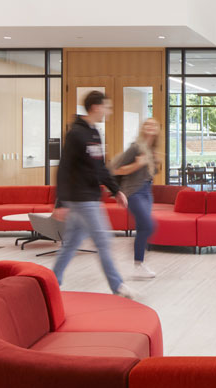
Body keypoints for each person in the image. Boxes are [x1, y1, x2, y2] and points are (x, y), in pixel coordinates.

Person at [53, 91, 135, 299]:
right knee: (103, 240)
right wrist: (60, 202)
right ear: (96, 107)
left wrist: (116, 190)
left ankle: (52, 281)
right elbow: (64, 168)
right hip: (81, 198)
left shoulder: (95, 133)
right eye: (107, 107)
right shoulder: (76, 134)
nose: (109, 111)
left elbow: (100, 168)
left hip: (88, 196)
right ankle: (117, 286)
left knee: (72, 242)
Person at [112, 118, 161, 279]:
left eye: (153, 124)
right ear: (142, 129)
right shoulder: (135, 148)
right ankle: (136, 259)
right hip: (134, 192)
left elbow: (150, 174)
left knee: (142, 228)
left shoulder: (152, 150)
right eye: (147, 124)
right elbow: (115, 169)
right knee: (148, 225)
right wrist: (136, 165)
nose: (150, 126)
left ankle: (138, 265)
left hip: (147, 192)